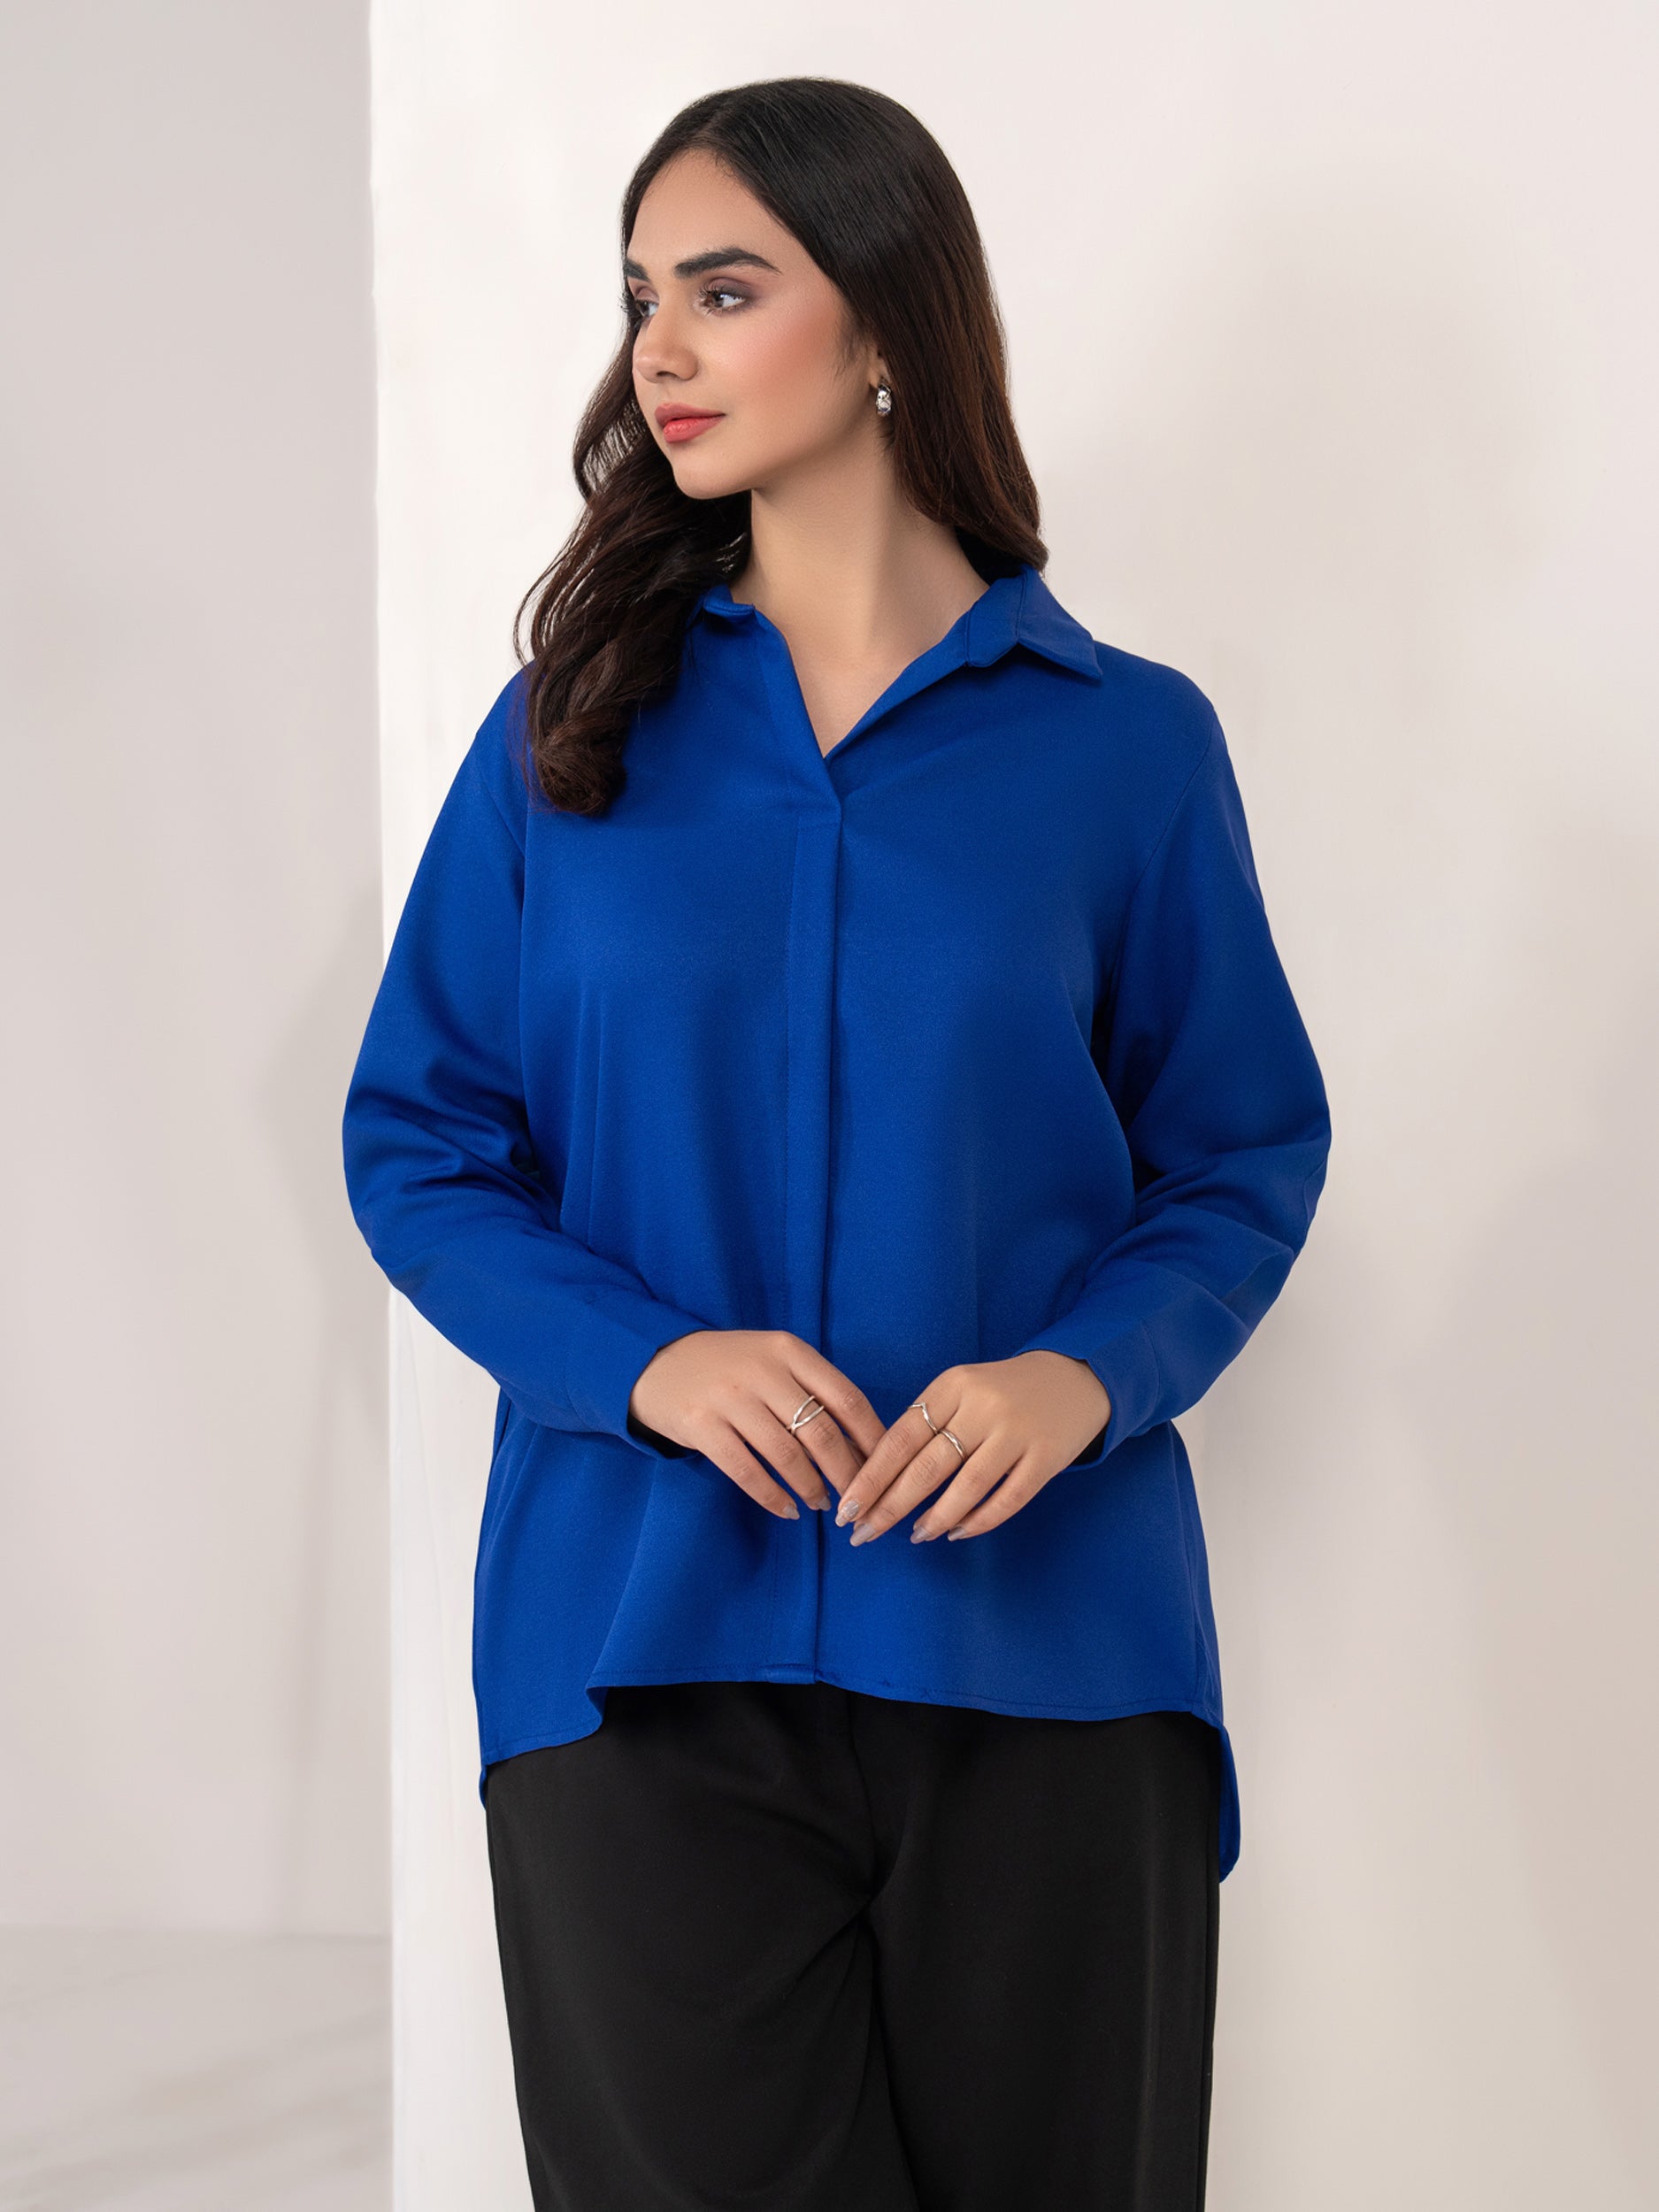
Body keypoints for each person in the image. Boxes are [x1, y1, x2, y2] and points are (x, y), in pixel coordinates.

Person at [342, 74, 1330, 2212]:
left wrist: (1078, 1374)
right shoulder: (566, 735)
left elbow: (1237, 1156)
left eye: (723, 289)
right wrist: (647, 1359)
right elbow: (416, 1133)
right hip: (635, 1655)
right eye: (639, 299)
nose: (660, 350)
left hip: (1046, 1654)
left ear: (880, 319)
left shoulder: (1123, 746)